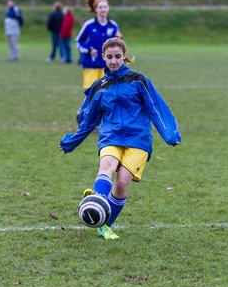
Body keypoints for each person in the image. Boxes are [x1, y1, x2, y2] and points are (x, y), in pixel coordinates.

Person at [59, 37, 181, 240]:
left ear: (124, 56)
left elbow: (156, 109)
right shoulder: (100, 86)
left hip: (138, 139)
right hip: (111, 136)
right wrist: (71, 141)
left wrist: (170, 135)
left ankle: (104, 224)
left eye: (117, 56)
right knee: (106, 166)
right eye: (109, 57)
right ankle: (98, 200)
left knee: (123, 182)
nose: (114, 61)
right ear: (103, 58)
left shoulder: (138, 80)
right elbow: (88, 120)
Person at [75, 0, 122, 90]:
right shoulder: (89, 25)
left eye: (105, 7)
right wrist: (88, 50)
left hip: (108, 67)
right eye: (100, 7)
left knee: (107, 95)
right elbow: (78, 42)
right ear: (96, 9)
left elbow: (119, 46)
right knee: (91, 94)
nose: (103, 9)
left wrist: (119, 39)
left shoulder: (113, 25)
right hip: (91, 65)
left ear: (108, 8)